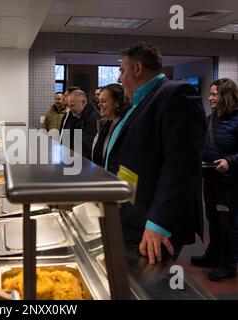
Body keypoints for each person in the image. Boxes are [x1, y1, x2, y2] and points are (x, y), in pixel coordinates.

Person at [105, 42, 206, 264]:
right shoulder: (139, 101)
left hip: (154, 221)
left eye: (122, 70)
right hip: (133, 211)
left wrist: (158, 223)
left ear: (138, 69)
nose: (119, 79)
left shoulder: (176, 94)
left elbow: (182, 166)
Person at [191, 78, 238, 281]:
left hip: (230, 182)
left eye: (214, 94)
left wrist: (229, 161)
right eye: (209, 94)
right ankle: (213, 255)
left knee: (228, 224)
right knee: (213, 219)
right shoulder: (210, 119)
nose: (209, 98)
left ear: (225, 97)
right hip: (210, 179)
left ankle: (229, 264)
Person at [91, 84, 129, 167]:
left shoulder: (123, 126)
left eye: (103, 101)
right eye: (99, 101)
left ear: (117, 103)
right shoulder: (104, 124)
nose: (99, 105)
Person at [60, 89, 100, 160]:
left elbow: (86, 146)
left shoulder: (93, 118)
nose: (71, 109)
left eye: (72, 106)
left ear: (83, 102)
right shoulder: (78, 114)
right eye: (69, 106)